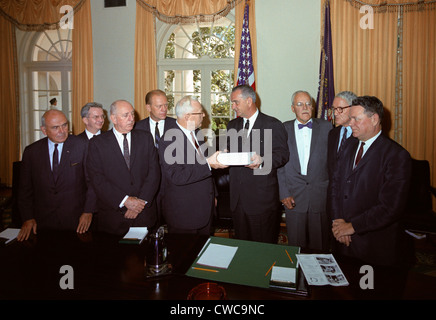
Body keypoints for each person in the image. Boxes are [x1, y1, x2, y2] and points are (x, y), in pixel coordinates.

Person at [330, 96, 412, 297]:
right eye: (350, 119)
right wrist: (339, 222)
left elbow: (390, 207)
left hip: (374, 247)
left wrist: (352, 226)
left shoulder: (396, 156)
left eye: (356, 119)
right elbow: (335, 186)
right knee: (345, 292)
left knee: (371, 294)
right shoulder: (349, 145)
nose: (350, 124)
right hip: (343, 241)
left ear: (374, 119)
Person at [17, 110, 96, 241]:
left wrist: (88, 211)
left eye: (64, 125)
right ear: (44, 130)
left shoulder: (82, 146)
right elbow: (25, 190)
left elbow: (92, 183)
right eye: (55, 127)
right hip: (43, 222)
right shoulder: (31, 152)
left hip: (77, 221)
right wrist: (28, 217)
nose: (62, 131)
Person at [225, 84, 289, 244]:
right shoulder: (232, 126)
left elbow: (282, 155)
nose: (233, 107)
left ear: (248, 101)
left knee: (262, 249)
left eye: (235, 102)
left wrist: (263, 161)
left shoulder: (273, 124)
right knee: (241, 247)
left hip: (262, 202)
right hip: (238, 201)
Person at [87, 100, 161, 236]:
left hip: (144, 216)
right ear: (113, 118)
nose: (132, 119)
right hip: (113, 218)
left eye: (132, 114)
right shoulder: (97, 144)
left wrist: (140, 204)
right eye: (125, 115)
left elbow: (154, 173)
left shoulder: (145, 138)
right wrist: (125, 201)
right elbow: (97, 180)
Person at [158, 95, 225, 235]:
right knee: (185, 255)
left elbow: (205, 168)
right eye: (200, 112)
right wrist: (208, 164)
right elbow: (177, 176)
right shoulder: (169, 139)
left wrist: (213, 194)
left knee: (204, 252)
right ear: (187, 116)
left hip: (205, 208)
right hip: (184, 213)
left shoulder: (197, 133)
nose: (204, 115)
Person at [277, 90, 333, 251]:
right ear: (292, 108)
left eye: (309, 103)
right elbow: (279, 165)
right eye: (300, 104)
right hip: (293, 196)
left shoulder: (327, 127)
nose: (305, 107)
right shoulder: (283, 128)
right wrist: (283, 193)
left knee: (320, 245)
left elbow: (334, 163)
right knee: (295, 245)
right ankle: (296, 274)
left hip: (320, 195)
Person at [135, 90, 177, 225]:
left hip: (174, 188)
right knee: (151, 228)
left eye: (166, 105)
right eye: (159, 106)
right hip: (148, 189)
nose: (164, 109)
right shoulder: (136, 128)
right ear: (148, 107)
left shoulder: (178, 126)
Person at [327, 91, 358, 177]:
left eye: (340, 109)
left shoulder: (361, 135)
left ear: (353, 108)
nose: (335, 113)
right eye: (334, 109)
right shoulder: (332, 133)